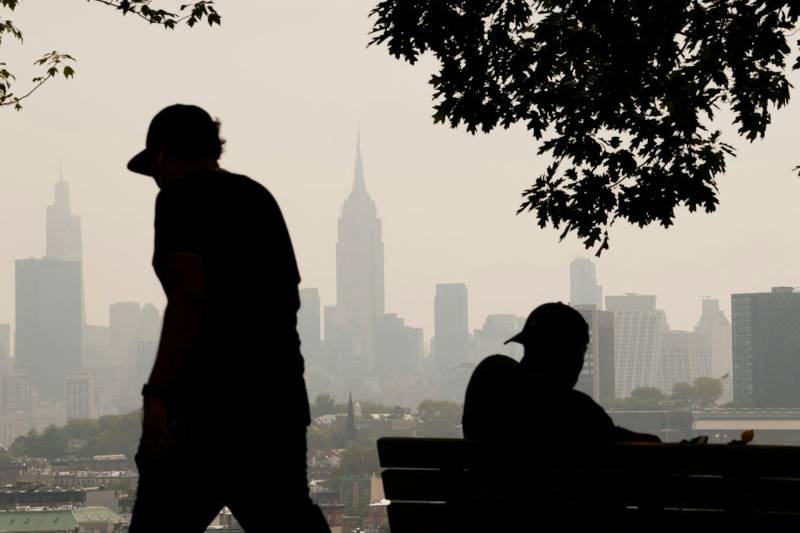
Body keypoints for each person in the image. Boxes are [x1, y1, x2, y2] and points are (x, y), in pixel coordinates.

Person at [127, 104, 329, 532]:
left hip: (204, 410)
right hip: (275, 402)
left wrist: (156, 393)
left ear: (163, 156)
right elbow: (286, 299)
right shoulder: (258, 197)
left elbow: (188, 298)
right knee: (289, 518)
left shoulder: (178, 199)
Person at [461, 303, 658, 529]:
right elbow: (629, 446)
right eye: (580, 353)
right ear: (570, 355)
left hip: (483, 519)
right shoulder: (576, 410)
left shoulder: (490, 379)